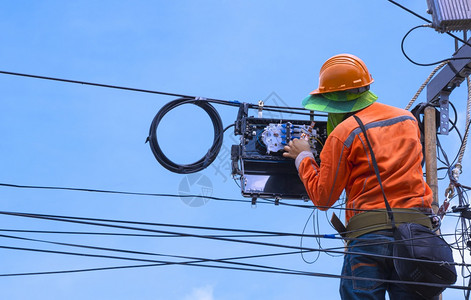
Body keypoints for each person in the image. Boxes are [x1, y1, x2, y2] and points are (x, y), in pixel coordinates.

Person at [283, 54, 435, 300]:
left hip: (369, 237)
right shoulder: (408, 120)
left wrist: (304, 157)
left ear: (332, 103)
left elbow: (324, 197)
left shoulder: (343, 133)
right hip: (416, 236)